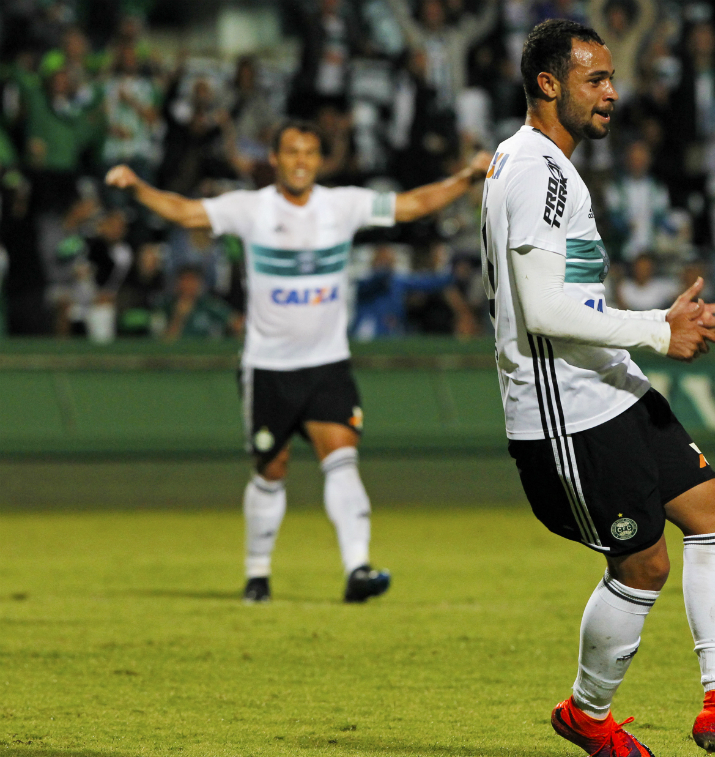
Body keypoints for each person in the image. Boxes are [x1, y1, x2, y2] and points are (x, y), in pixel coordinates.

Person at [482, 20, 715, 757]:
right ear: (548, 84)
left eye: (611, 78)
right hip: (566, 412)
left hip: (609, 387)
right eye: (595, 79)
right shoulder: (536, 171)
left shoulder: (538, 163)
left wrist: (655, 325)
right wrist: (659, 331)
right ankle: (586, 714)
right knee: (643, 565)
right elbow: (543, 310)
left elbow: (567, 298)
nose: (611, 93)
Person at [106, 119, 492, 603]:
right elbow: (186, 213)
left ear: (320, 160)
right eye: (292, 151)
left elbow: (412, 204)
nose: (301, 161)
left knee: (343, 461)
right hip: (268, 366)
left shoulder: (341, 205)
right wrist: (137, 187)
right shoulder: (251, 209)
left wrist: (465, 178)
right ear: (274, 158)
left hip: (327, 362)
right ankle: (257, 574)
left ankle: (357, 569)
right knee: (271, 472)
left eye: (310, 152)